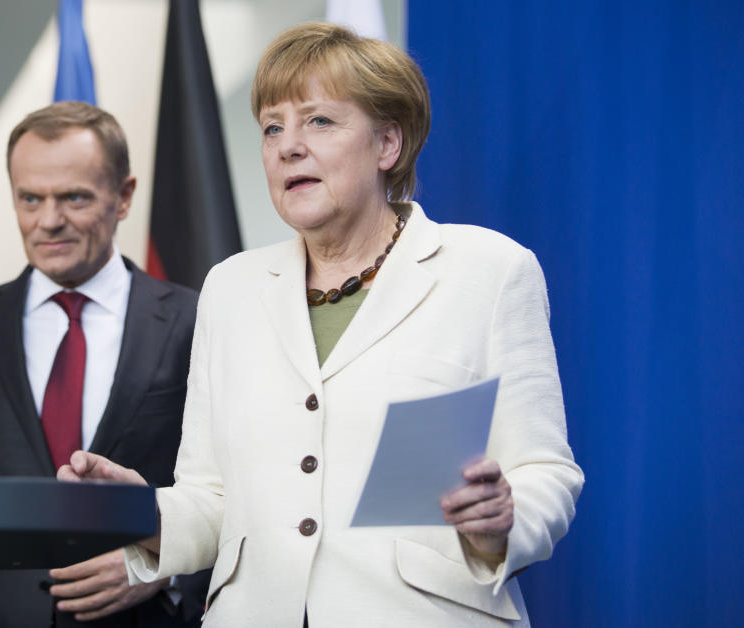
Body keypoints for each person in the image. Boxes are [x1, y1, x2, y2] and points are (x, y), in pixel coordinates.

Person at [61, 23, 584, 627]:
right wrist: (144, 512)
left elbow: (547, 471)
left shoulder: (489, 271)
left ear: (388, 144)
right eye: (272, 127)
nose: (287, 145)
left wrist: (502, 520)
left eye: (320, 122)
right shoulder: (230, 288)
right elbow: (212, 500)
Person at [0, 101, 207, 628]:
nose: (48, 220)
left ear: (123, 197)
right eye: (29, 199)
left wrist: (162, 569)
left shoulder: (196, 317)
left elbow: (233, 488)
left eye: (74, 197)